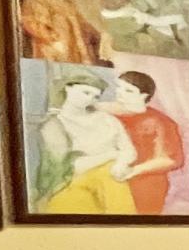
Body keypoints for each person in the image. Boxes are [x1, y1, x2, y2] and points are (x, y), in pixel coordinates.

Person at [34, 73, 136, 213]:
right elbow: (68, 168)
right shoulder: (54, 125)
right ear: (68, 88)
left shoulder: (107, 119)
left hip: (109, 181)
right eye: (86, 92)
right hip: (70, 184)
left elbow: (129, 150)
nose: (89, 99)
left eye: (95, 96)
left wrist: (121, 163)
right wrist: (112, 155)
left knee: (111, 177)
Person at [109, 70, 185, 214]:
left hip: (145, 185)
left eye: (128, 90)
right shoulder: (108, 116)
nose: (119, 93)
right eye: (118, 87)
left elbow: (171, 159)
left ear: (143, 96)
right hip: (109, 181)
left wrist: (133, 171)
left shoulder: (160, 121)